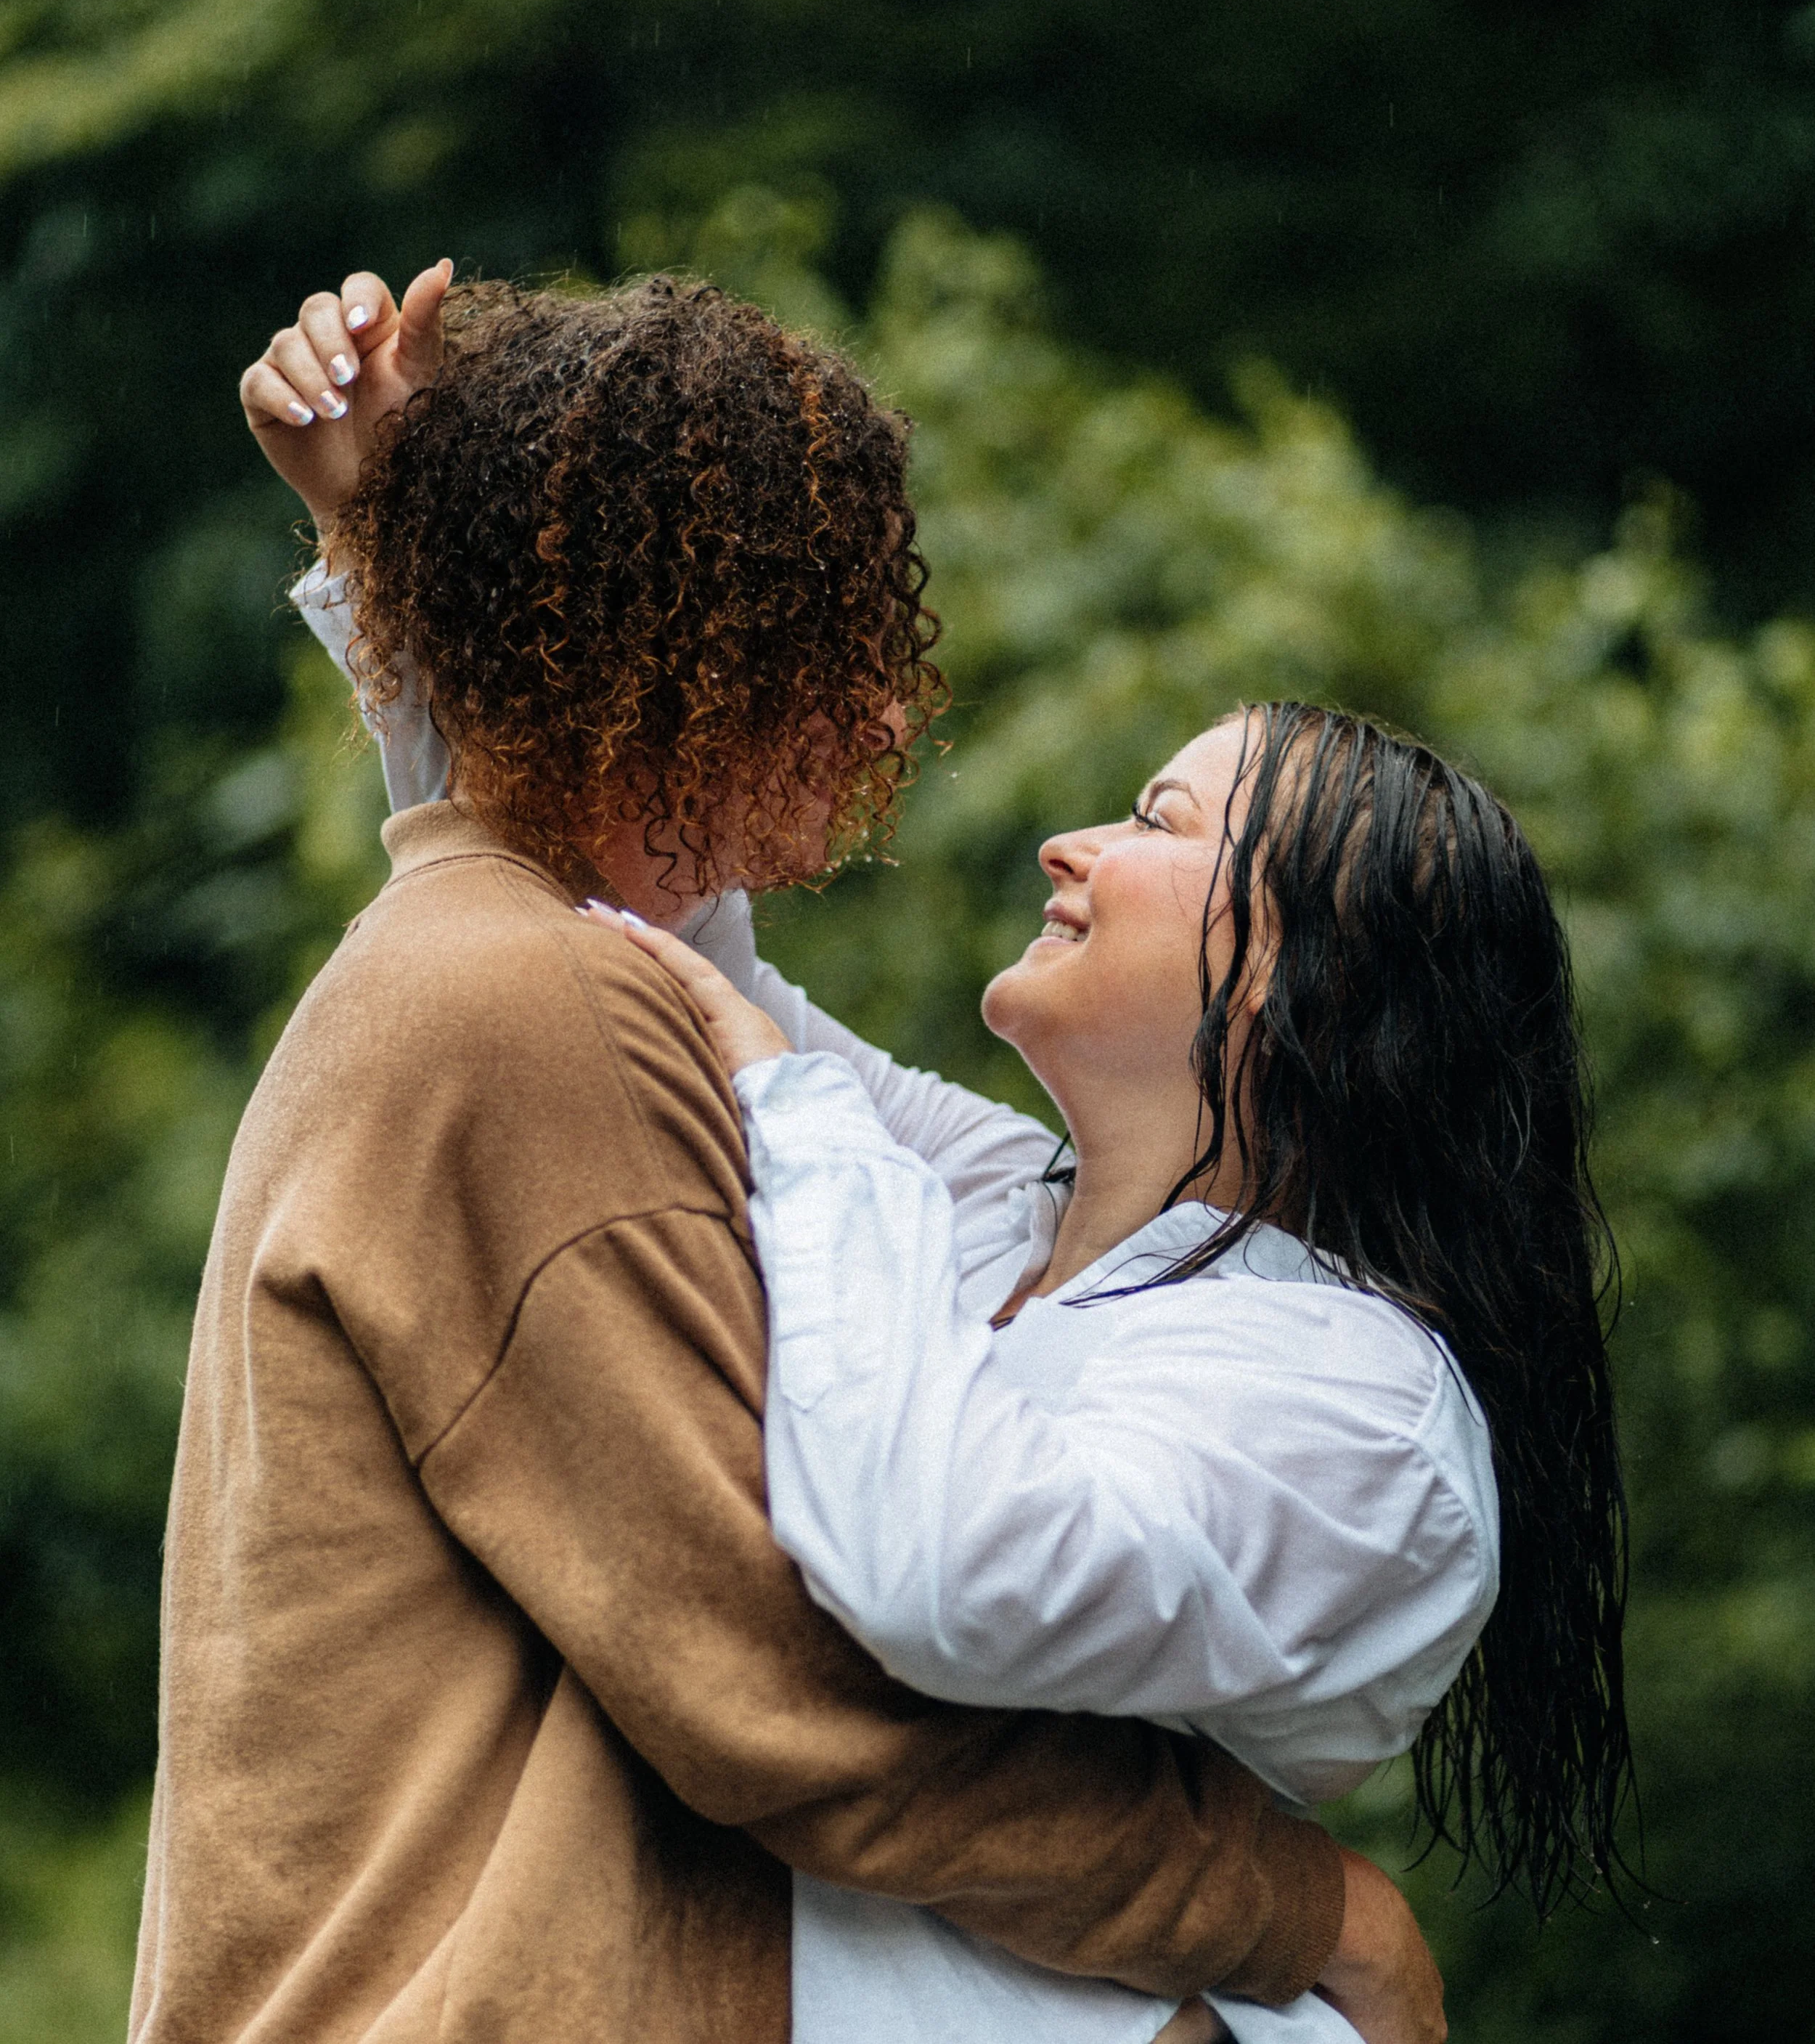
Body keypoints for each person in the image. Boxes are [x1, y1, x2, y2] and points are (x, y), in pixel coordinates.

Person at [130, 267, 1445, 2044]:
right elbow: (772, 1687)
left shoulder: (520, 966)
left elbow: (708, 969)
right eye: (837, 638)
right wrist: (1303, 1910)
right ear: (698, 647)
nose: (895, 718)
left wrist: (403, 555)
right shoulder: (530, 1004)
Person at [600, 702, 1634, 2043]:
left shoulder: (1369, 1408)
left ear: (1294, 963)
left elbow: (948, 1574)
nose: (1062, 846)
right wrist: (369, 542)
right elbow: (660, 934)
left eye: (1157, 819)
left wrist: (807, 1121)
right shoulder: (994, 1202)